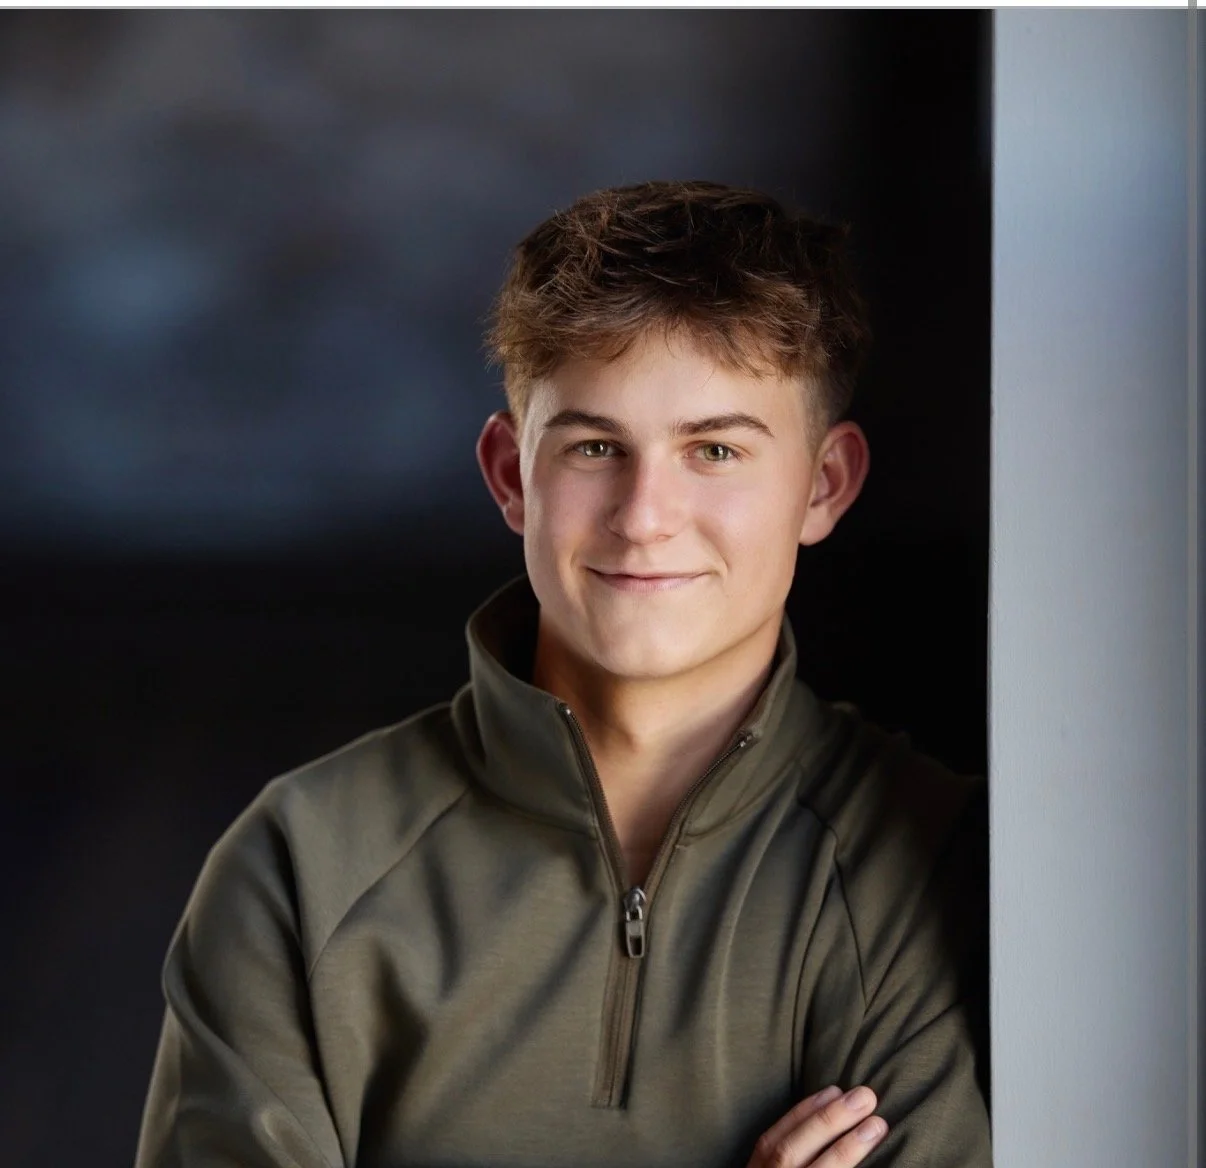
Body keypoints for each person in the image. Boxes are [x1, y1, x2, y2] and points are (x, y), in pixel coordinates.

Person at [135, 180, 991, 1168]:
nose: (644, 516)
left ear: (824, 485)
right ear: (510, 475)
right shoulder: (303, 870)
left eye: (715, 449)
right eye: (595, 446)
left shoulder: (939, 866)